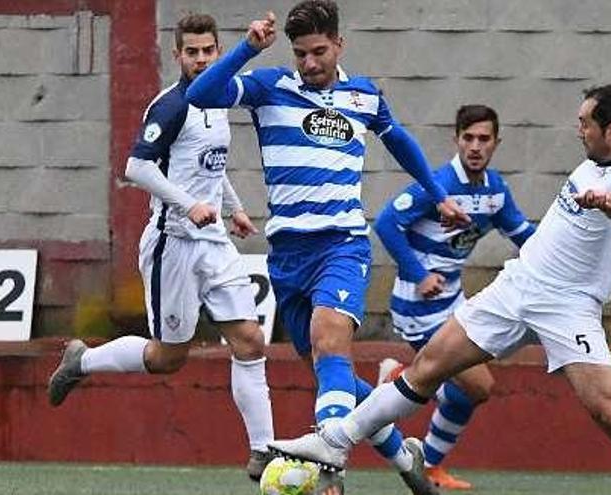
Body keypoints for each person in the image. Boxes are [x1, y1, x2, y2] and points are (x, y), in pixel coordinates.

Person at [269, 84, 611, 495]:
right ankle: (336, 441)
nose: (578, 130)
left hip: (567, 304)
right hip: (517, 284)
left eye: (585, 123)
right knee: (428, 368)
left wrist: (607, 204)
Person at [185, 2, 468, 493]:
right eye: (301, 54)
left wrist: (439, 195)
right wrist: (248, 49)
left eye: (319, 51)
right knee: (330, 372)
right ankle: (404, 454)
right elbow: (201, 92)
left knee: (330, 341)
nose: (310, 63)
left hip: (342, 244)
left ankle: (330, 464)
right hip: (288, 256)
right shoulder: (271, 85)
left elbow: (398, 139)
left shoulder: (364, 96)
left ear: (339, 44)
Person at [46, 14, 275, 481]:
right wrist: (189, 204)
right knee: (168, 356)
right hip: (174, 243)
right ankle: (83, 359)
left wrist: (233, 208)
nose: (201, 59)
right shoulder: (169, 106)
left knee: (250, 340)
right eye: (191, 52)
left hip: (214, 243)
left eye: (208, 50)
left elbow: (210, 164)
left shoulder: (217, 99)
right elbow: (138, 167)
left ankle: (263, 451)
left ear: (217, 50)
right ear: (178, 56)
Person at [374, 104, 535, 489]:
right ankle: (400, 379)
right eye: (468, 138)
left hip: (454, 303)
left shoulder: (496, 190)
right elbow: (385, 222)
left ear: (496, 143)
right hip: (418, 305)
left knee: (469, 392)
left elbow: (524, 236)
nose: (475, 146)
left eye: (484, 139)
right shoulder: (438, 184)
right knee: (479, 385)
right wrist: (418, 273)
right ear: (456, 139)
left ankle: (429, 465)